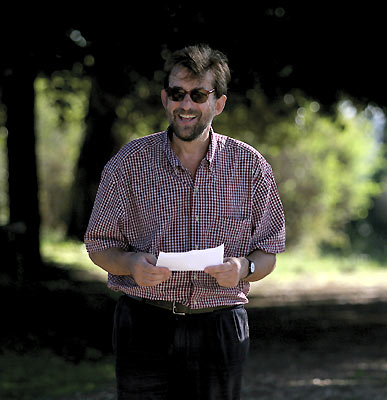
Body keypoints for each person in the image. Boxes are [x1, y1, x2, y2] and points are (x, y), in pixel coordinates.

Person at [84, 44, 286, 400]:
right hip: (143, 323)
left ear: (218, 103)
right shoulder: (128, 163)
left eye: (198, 94)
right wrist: (131, 263)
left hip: (220, 324)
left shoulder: (251, 166)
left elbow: (269, 251)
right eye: (178, 94)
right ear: (165, 99)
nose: (186, 105)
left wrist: (243, 266)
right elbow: (98, 244)